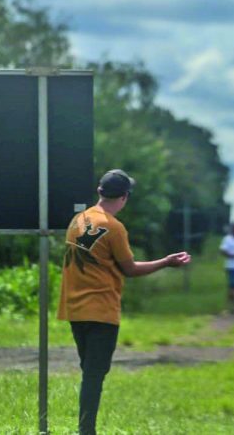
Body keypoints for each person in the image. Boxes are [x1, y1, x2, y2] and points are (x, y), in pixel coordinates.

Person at [58, 169, 192, 435]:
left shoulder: (78, 219)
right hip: (101, 310)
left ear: (99, 191)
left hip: (74, 308)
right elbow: (129, 269)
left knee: (90, 371)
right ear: (124, 197)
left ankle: (86, 428)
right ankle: (86, 431)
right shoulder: (114, 227)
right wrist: (166, 262)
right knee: (94, 374)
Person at [220, 223, 234, 309]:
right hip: (231, 265)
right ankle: (233, 303)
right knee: (233, 285)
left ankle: (231, 302)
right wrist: (233, 256)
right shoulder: (227, 239)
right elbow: (223, 250)